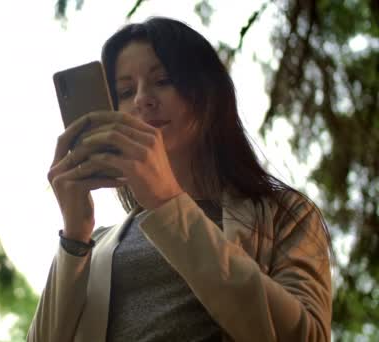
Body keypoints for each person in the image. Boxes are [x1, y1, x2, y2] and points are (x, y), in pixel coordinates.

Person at [28, 17, 332, 342]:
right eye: (126, 91)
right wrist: (75, 235)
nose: (143, 98)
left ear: (208, 95)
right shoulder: (94, 243)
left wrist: (168, 203)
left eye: (164, 80)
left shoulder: (284, 214)